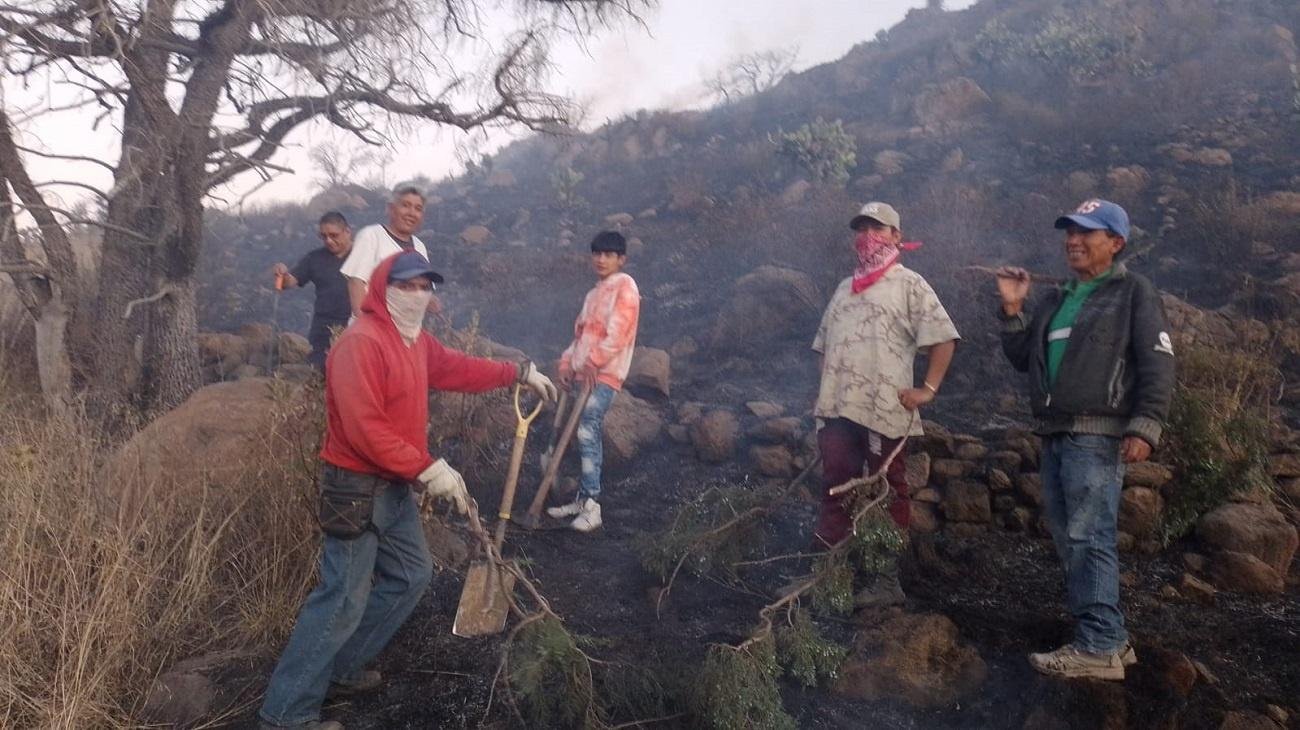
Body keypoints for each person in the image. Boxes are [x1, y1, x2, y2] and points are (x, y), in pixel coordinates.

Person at [258, 250, 557, 730]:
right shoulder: (361, 343)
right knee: (341, 598)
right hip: (355, 487)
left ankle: (340, 668)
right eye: (407, 286)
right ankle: (285, 713)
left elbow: (458, 367)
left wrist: (516, 372)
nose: (417, 295)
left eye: (424, 287)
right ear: (383, 288)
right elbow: (364, 429)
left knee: (411, 574)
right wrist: (428, 467)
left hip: (393, 487)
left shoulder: (413, 341)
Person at [996, 199, 1175, 681]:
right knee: (1071, 536)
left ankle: (1095, 646)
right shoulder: (1057, 299)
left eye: (1087, 232)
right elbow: (1023, 360)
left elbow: (1158, 363)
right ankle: (1111, 639)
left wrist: (1145, 426)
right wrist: (1014, 307)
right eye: (1070, 231)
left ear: (1115, 243)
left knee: (1088, 535)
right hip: (1056, 433)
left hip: (1097, 435)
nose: (1073, 240)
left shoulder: (1133, 292)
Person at [811, 202, 959, 608]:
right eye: (861, 228)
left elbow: (943, 338)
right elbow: (824, 343)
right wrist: (826, 386)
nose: (867, 235)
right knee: (835, 484)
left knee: (885, 489)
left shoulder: (910, 284)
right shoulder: (845, 287)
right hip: (839, 409)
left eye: (877, 228)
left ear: (896, 235)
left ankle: (883, 576)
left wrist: (927, 389)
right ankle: (829, 572)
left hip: (884, 410)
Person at [545, 231, 641, 533]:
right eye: (597, 254)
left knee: (588, 427)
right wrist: (566, 364)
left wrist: (592, 362)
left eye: (609, 255)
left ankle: (593, 506)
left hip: (606, 375)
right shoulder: (593, 294)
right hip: (585, 373)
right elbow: (582, 338)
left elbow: (619, 333)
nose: (601, 259)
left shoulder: (625, 286)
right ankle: (583, 498)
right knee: (581, 433)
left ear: (621, 259)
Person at [271, 211, 354, 371]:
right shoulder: (315, 258)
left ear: (347, 232)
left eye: (334, 235)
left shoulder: (364, 254)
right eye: (323, 236)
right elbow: (288, 282)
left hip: (356, 326)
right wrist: (282, 274)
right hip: (323, 330)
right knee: (319, 375)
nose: (329, 240)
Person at [340, 185, 437, 319]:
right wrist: (365, 326)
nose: (411, 213)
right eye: (405, 205)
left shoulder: (420, 247)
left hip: (405, 330)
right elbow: (356, 282)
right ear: (390, 209)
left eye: (418, 208)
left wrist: (430, 302)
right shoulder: (372, 236)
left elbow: (423, 290)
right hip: (374, 328)